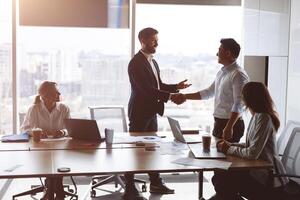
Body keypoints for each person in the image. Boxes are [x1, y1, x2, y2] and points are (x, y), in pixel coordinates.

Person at [127, 27, 191, 200]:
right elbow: (146, 90)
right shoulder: (135, 63)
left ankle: (155, 182)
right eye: (154, 40)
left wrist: (176, 86)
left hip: (151, 111)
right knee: (136, 150)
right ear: (143, 40)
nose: (157, 43)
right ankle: (129, 187)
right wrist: (172, 96)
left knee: (152, 148)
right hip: (139, 112)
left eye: (157, 39)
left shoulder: (153, 62)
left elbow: (157, 85)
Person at [208, 82, 289, 200]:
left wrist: (229, 149)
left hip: (268, 178)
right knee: (221, 176)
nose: (241, 99)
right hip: (258, 171)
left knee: (223, 181)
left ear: (249, 99)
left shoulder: (263, 118)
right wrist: (230, 145)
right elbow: (250, 145)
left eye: (243, 96)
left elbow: (252, 153)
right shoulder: (257, 116)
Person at [172, 38, 249, 142]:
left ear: (228, 53)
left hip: (231, 125)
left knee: (226, 157)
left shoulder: (238, 75)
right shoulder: (222, 72)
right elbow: (209, 93)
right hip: (219, 123)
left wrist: (229, 126)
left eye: (219, 50)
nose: (217, 54)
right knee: (216, 156)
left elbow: (239, 103)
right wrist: (185, 96)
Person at [21, 81, 70, 199]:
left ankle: (51, 187)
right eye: (55, 92)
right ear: (45, 95)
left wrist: (62, 132)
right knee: (49, 162)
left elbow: (69, 128)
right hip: (40, 148)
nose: (59, 93)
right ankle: (57, 187)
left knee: (58, 161)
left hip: (60, 148)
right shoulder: (34, 109)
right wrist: (35, 132)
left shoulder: (64, 108)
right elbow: (24, 129)